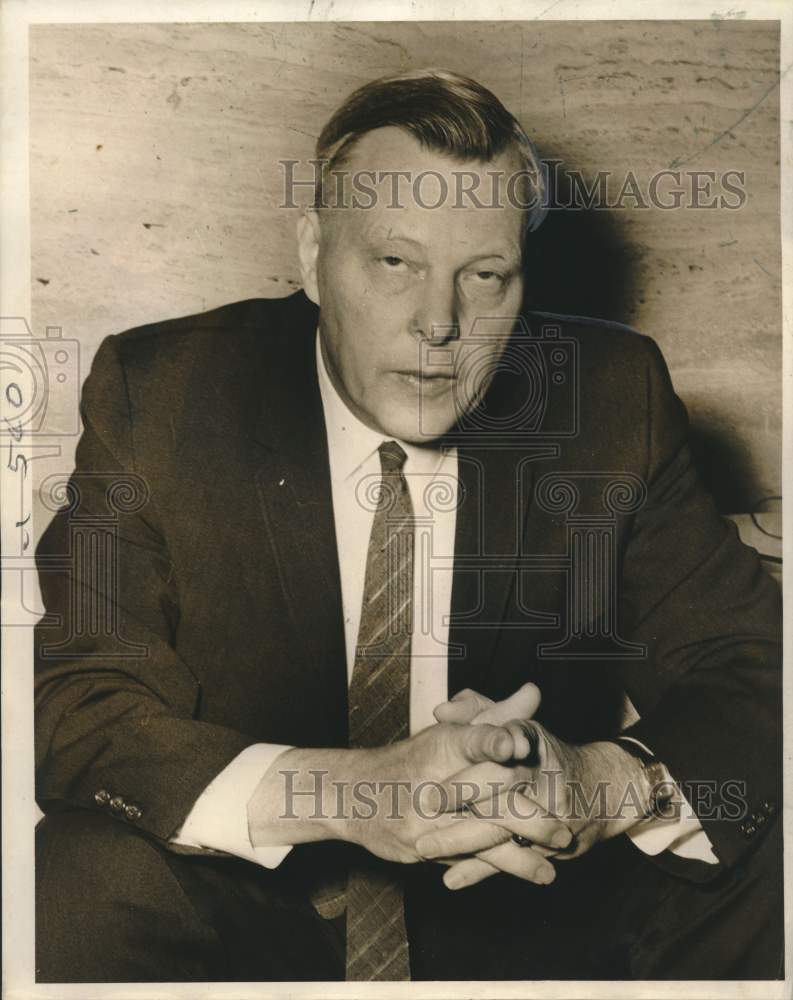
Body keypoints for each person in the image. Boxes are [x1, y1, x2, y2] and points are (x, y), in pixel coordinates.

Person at [34, 69, 782, 983]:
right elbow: (82, 704)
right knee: (82, 869)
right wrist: (351, 792)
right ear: (312, 254)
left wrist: (600, 785)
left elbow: (751, 665)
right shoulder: (164, 396)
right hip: (250, 912)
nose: (440, 324)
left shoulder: (606, 399)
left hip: (530, 914)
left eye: (485, 276)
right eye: (394, 263)